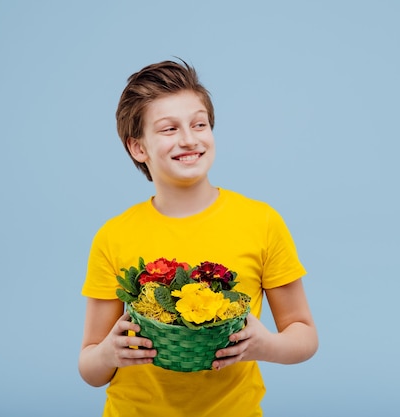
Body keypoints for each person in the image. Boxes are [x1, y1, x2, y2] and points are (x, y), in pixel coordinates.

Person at [78, 59, 318, 417]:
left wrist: (265, 345)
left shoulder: (261, 222)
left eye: (199, 124)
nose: (189, 139)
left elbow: (304, 334)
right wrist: (107, 354)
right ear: (138, 148)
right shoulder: (114, 236)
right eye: (169, 129)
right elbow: (90, 367)